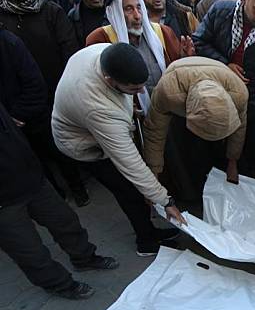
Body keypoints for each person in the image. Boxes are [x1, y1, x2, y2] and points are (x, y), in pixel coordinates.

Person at [52, 43, 186, 256]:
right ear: (109, 81)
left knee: (135, 188)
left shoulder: (105, 52)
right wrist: (166, 201)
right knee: (129, 190)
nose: (141, 92)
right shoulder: (97, 109)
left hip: (88, 122)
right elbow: (130, 163)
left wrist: (127, 104)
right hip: (83, 146)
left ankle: (150, 231)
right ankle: (146, 242)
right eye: (134, 89)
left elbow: (117, 96)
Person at [0, 100, 117, 300]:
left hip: (32, 179)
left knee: (66, 222)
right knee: (30, 251)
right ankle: (60, 284)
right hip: (4, 204)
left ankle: (85, 258)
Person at [0, 0, 90, 207]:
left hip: (55, 91)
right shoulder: (3, 16)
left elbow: (69, 50)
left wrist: (68, 86)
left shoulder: (50, 11)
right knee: (34, 152)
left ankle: (77, 187)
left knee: (57, 145)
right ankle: (55, 194)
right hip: (18, 101)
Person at [193, 0, 255, 182]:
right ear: (244, 0)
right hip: (212, 99)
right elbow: (199, 41)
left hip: (251, 108)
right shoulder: (220, 11)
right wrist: (225, 65)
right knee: (211, 155)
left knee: (243, 164)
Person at [143, 56, 248, 187]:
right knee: (188, 151)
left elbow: (240, 129)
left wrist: (233, 162)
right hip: (179, 84)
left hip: (218, 73)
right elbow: (155, 132)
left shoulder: (239, 93)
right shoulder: (167, 93)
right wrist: (153, 176)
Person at [86, 0, 194, 104]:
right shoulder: (100, 39)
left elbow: (177, 76)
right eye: (129, 9)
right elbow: (99, 86)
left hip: (167, 110)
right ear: (115, 13)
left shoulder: (163, 32)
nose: (137, 16)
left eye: (139, 7)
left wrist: (184, 58)